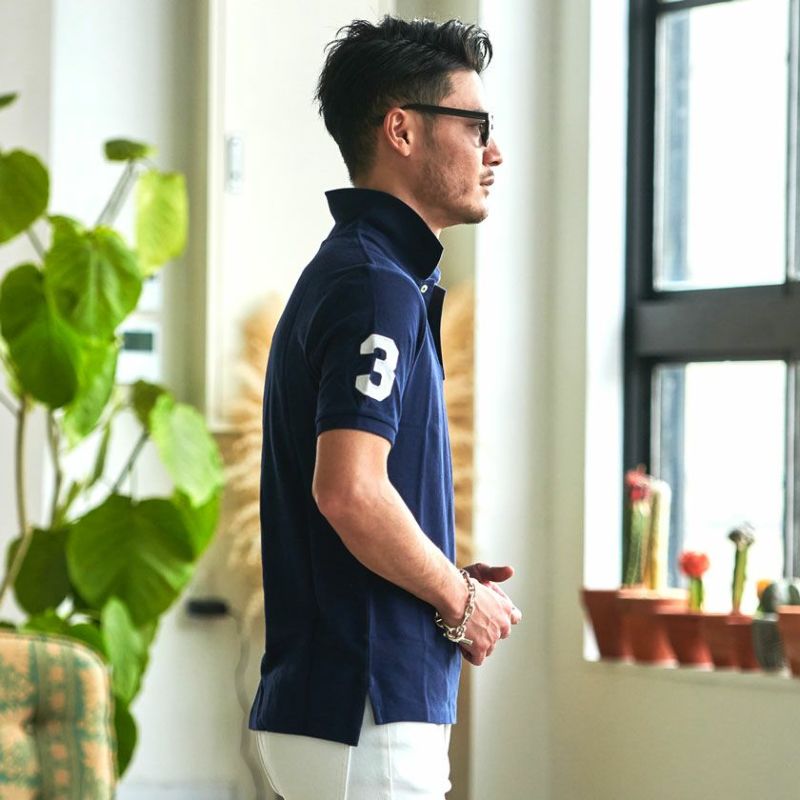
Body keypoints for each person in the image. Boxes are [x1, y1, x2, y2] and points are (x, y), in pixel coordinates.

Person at [248, 15, 521, 800]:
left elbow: (360, 491)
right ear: (402, 130)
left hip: (345, 710)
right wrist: (460, 599)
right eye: (476, 126)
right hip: (364, 713)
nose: (493, 152)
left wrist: (438, 568)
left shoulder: (361, 273)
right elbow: (350, 491)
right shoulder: (376, 285)